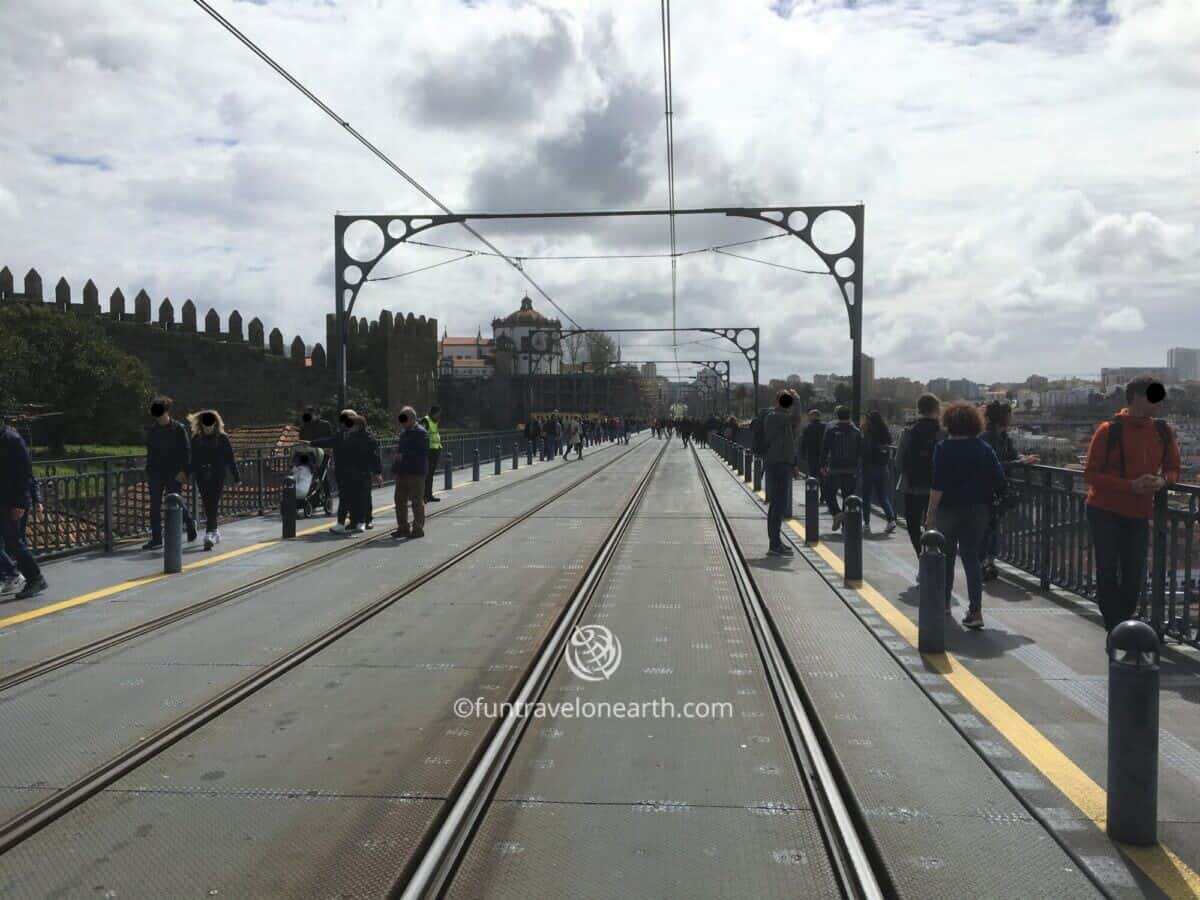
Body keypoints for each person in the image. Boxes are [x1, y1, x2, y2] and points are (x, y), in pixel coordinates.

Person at [1084, 376, 1180, 632]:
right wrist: (1130, 486)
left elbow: (1173, 468)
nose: (1159, 403)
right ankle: (1115, 628)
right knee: (1107, 570)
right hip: (1104, 510)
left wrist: (1162, 480)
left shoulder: (1162, 430)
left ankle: (1122, 626)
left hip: (1138, 512)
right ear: (1137, 397)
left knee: (1134, 575)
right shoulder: (1109, 430)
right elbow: (1090, 475)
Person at [924, 401, 1006, 630]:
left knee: (946, 558)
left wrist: (930, 513)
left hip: (948, 509)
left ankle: (944, 604)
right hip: (978, 510)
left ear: (948, 423)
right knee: (971, 559)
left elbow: (937, 484)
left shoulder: (943, 449)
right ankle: (976, 611)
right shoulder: (983, 449)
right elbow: (999, 479)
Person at [979, 401, 1038, 580]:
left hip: (999, 490)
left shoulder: (1004, 436)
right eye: (1009, 415)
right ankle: (982, 562)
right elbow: (993, 465)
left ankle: (989, 562)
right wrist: (1020, 462)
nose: (1012, 419)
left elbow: (1011, 455)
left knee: (994, 527)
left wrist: (1023, 458)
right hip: (986, 490)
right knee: (987, 529)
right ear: (1002, 418)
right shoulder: (986, 438)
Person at [0, 414, 47, 599]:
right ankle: (11, 574)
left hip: (12, 501)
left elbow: (25, 474)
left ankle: (35, 578)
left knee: (15, 543)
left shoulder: (12, 440)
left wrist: (21, 503)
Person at [143, 396, 197, 550]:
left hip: (174, 472)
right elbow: (150, 452)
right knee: (154, 505)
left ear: (166, 411)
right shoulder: (152, 430)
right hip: (156, 473)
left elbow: (187, 452)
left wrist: (184, 471)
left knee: (176, 501)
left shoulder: (178, 428)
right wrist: (149, 469)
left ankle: (189, 522)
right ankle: (156, 538)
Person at [896, 393, 944, 557]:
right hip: (938, 487)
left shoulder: (909, 431)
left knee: (913, 523)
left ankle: (921, 554)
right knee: (936, 523)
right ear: (937, 409)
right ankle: (935, 555)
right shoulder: (943, 433)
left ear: (919, 409)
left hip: (913, 486)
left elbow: (898, 460)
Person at [188, 410, 240, 551]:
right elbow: (193, 460)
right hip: (202, 475)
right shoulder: (196, 438)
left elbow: (230, 458)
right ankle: (215, 531)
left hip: (217, 475)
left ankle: (209, 534)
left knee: (213, 503)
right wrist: (187, 473)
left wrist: (236, 477)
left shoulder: (223, 438)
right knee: (207, 503)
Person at [763, 392, 799, 556]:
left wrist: (793, 464)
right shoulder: (776, 416)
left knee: (777, 504)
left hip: (781, 463)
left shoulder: (780, 417)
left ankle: (776, 542)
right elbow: (796, 419)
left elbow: (789, 443)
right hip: (777, 464)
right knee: (779, 505)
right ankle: (774, 545)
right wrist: (797, 400)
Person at [820, 406, 862, 532]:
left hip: (835, 468)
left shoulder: (831, 430)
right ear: (849, 416)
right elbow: (861, 451)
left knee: (828, 492)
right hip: (851, 469)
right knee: (848, 497)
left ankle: (837, 513)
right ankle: (846, 526)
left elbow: (824, 449)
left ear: (837, 416)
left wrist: (822, 465)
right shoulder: (856, 431)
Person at [391, 407, 428, 539]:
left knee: (416, 501)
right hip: (402, 473)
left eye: (404, 420)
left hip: (416, 473)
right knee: (399, 501)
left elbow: (422, 453)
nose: (402, 423)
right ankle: (403, 527)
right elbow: (399, 453)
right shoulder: (403, 434)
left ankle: (418, 529)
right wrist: (395, 469)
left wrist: (404, 457)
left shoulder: (421, 433)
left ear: (412, 418)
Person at [861, 410, 898, 535]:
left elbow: (865, 452)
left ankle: (866, 523)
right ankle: (891, 520)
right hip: (883, 468)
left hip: (869, 469)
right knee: (883, 496)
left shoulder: (869, 434)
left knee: (866, 497)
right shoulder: (885, 434)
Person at [419, 405, 443, 503]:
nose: (439, 415)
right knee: (426, 474)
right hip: (428, 451)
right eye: (438, 413)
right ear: (434, 413)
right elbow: (422, 435)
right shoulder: (426, 420)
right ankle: (424, 496)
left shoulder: (435, 421)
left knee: (430, 475)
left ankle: (429, 495)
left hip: (435, 450)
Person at [799, 409, 825, 478]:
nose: (808, 417)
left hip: (811, 455)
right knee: (823, 475)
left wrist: (802, 454)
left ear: (813, 417)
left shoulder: (807, 428)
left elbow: (803, 442)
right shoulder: (825, 427)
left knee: (813, 475)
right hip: (823, 455)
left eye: (809, 416)